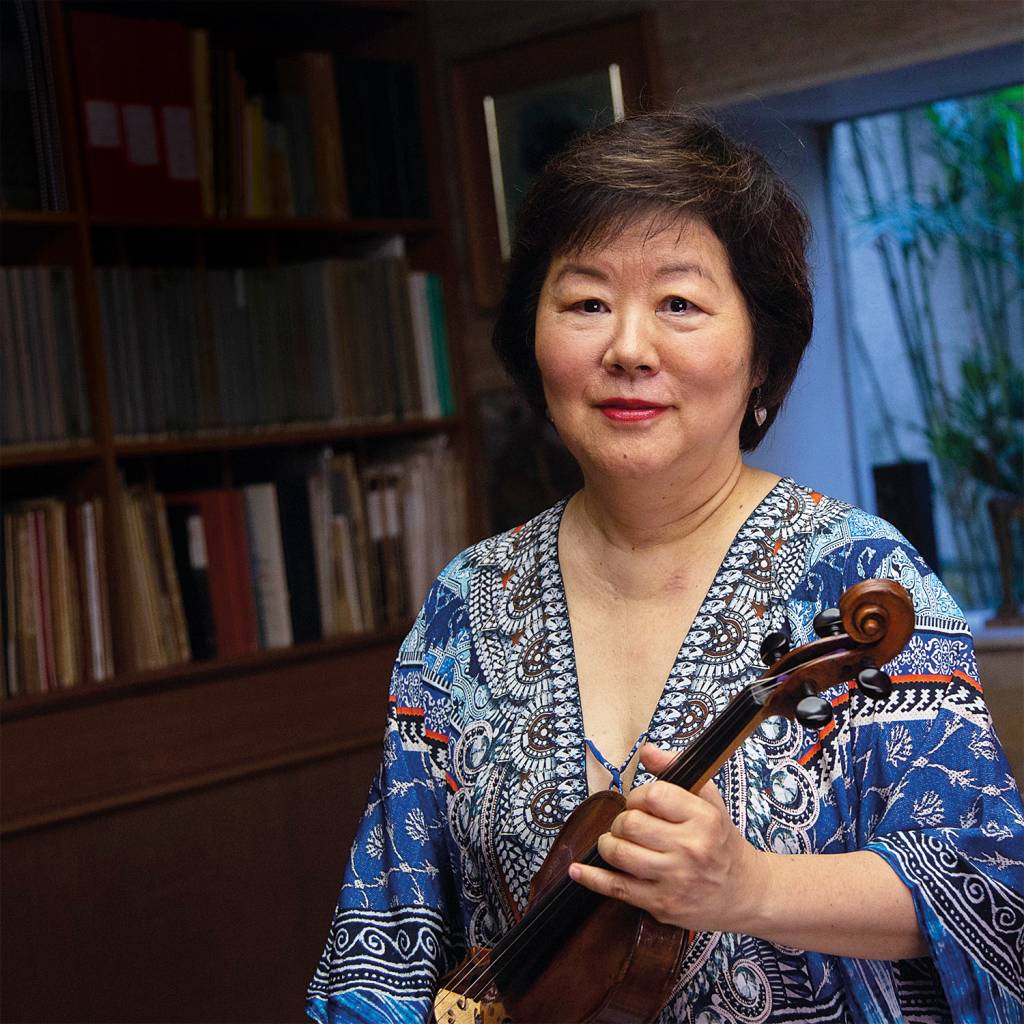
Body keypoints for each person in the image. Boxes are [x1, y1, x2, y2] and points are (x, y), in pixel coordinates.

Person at [306, 111, 1024, 1024]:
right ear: (536, 338)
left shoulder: (858, 578)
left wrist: (749, 885)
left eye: (679, 303)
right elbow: (388, 928)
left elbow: (993, 891)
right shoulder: (468, 603)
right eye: (587, 302)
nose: (628, 349)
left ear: (762, 356)